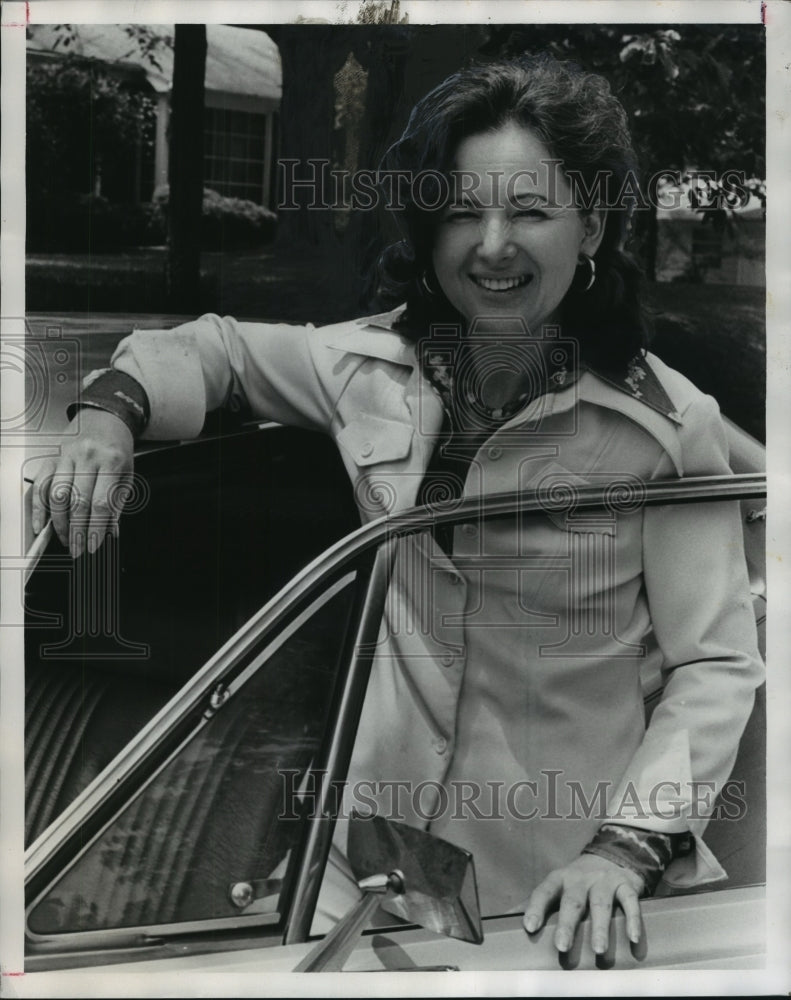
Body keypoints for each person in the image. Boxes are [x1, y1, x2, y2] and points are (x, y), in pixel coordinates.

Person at [32, 55, 763, 958]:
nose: (492, 245)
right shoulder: (369, 366)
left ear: (593, 227)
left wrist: (625, 847)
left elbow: (716, 664)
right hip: (365, 876)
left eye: (530, 210)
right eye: (461, 210)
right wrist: (111, 410)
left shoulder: (665, 425)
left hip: (557, 892)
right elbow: (212, 349)